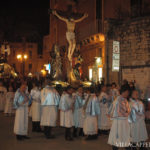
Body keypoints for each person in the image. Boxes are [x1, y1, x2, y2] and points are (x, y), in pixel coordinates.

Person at [108, 85, 131, 150]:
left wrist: (127, 112)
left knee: (125, 137)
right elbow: (118, 112)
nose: (127, 94)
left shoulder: (125, 99)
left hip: (124, 122)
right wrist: (126, 113)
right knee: (117, 139)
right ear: (123, 91)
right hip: (119, 122)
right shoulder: (118, 100)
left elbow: (128, 109)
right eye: (126, 92)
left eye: (128, 92)